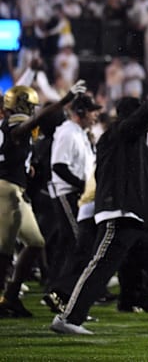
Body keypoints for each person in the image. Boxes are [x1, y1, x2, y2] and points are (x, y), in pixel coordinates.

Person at [49, 59, 148, 335]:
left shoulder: (136, 142)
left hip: (135, 218)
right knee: (99, 267)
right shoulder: (118, 135)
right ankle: (68, 318)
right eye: (143, 117)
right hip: (117, 214)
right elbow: (145, 118)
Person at [0, 82, 81, 317]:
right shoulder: (14, 125)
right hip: (6, 190)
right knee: (4, 252)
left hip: (16, 191)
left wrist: (26, 169)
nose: (34, 112)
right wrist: (65, 99)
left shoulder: (12, 128)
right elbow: (28, 126)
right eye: (31, 107)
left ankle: (11, 296)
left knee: (36, 242)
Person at [43, 93, 103, 309]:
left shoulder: (79, 133)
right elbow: (59, 166)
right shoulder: (68, 132)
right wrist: (82, 186)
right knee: (77, 242)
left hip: (74, 193)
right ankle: (59, 292)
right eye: (92, 110)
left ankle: (54, 288)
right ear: (80, 113)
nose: (95, 115)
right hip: (67, 192)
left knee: (68, 242)